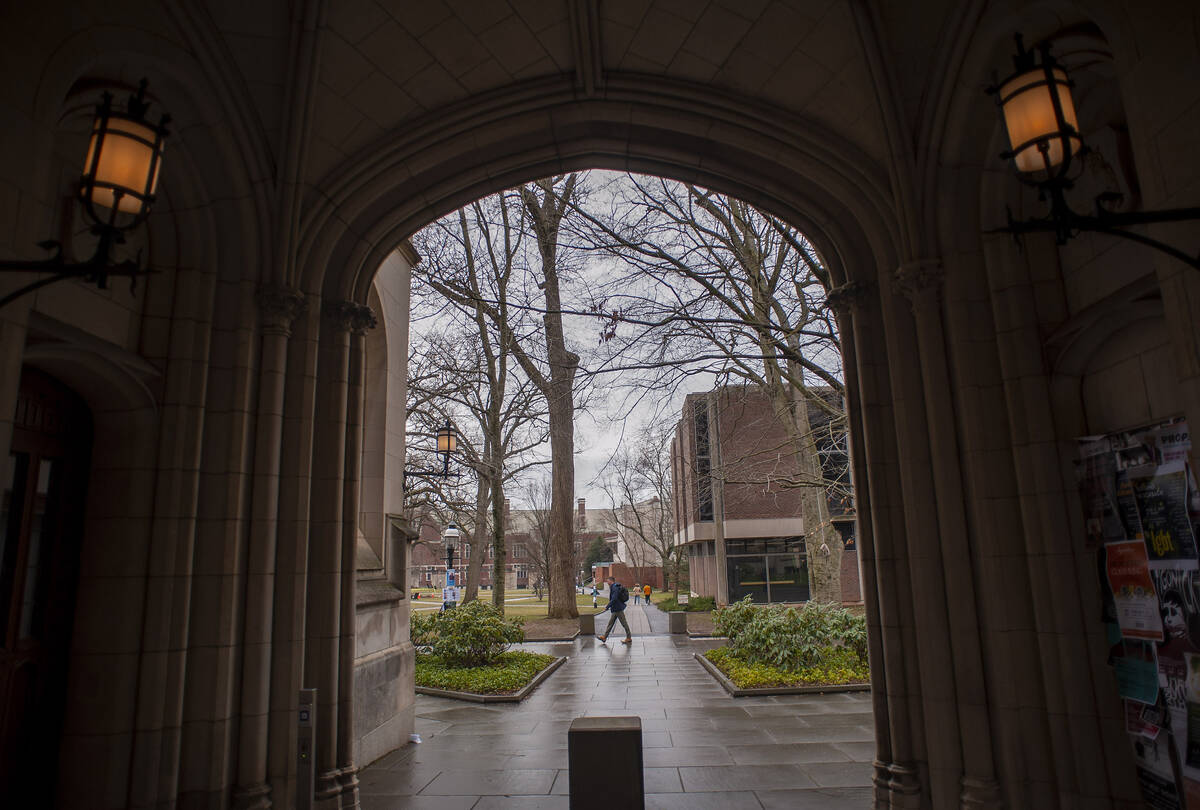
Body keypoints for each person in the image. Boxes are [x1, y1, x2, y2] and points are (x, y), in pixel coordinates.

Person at [598, 576, 632, 644]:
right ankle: (604, 637)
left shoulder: (615, 587)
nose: (607, 582)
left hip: (618, 608)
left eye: (608, 581)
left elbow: (614, 598)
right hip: (615, 608)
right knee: (610, 623)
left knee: (624, 623)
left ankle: (629, 637)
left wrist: (607, 606)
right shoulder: (613, 587)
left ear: (611, 581)